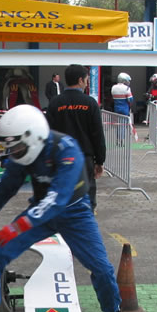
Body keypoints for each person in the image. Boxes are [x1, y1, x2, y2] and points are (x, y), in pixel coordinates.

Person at [0, 104, 131, 312]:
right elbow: (4, 186)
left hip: (74, 213)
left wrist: (17, 226)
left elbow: (58, 197)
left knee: (102, 269)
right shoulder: (22, 155)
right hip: (39, 212)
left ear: (35, 137)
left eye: (17, 147)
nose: (14, 152)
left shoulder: (67, 149)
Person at [46, 64, 106, 210]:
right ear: (80, 80)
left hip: (60, 157)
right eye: (86, 80)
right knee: (86, 194)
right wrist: (99, 161)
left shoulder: (55, 102)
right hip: (84, 158)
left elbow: (48, 132)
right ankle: (86, 220)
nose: (86, 83)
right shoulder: (90, 103)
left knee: (61, 193)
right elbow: (97, 134)